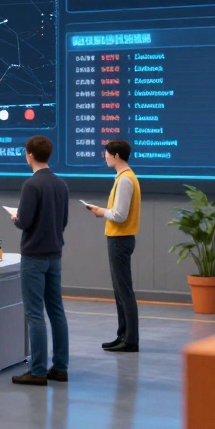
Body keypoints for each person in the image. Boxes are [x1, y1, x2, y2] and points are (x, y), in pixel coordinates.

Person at [9, 136, 70, 386]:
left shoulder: (31, 186)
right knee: (56, 311)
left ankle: (37, 371)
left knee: (34, 314)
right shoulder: (61, 184)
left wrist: (15, 217)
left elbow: (24, 221)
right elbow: (63, 221)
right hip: (54, 255)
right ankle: (60, 367)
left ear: (29, 154)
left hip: (33, 256)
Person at [86, 139, 141, 353]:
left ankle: (131, 339)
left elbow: (120, 215)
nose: (105, 156)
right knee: (120, 290)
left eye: (107, 153)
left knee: (124, 290)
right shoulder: (124, 177)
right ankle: (123, 335)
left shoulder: (126, 180)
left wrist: (101, 212)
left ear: (117, 155)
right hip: (119, 238)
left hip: (121, 239)